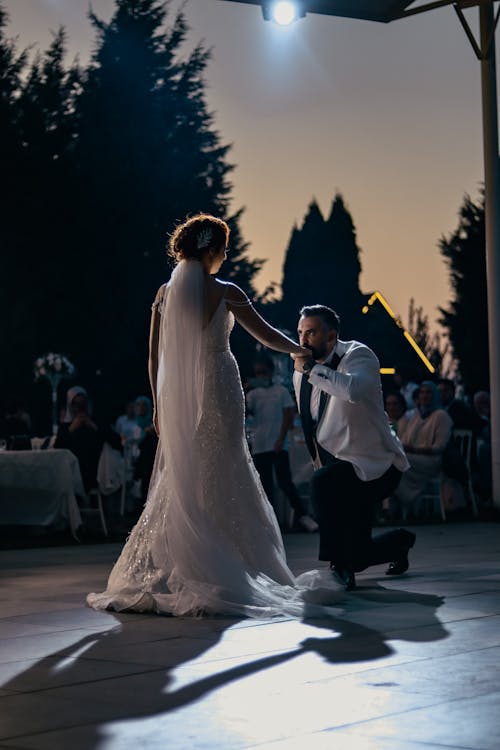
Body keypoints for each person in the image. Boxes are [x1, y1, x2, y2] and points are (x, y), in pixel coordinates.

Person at [87, 214, 343, 618]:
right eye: (225, 248)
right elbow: (265, 334)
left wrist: (158, 403)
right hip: (221, 387)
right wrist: (296, 351)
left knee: (187, 469)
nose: (226, 255)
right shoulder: (226, 291)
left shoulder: (164, 294)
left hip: (180, 393)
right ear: (211, 250)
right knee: (226, 463)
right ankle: (233, 559)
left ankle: (184, 557)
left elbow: (155, 357)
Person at [292, 305, 415, 592]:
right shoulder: (301, 374)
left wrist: (311, 369)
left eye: (310, 332)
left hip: (377, 466)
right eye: (300, 333)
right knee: (359, 555)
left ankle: (336, 566)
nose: (303, 341)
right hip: (339, 470)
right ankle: (400, 542)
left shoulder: (358, 355)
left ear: (331, 335)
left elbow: (353, 391)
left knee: (323, 483)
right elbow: (313, 425)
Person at [246, 353, 318, 532]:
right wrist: (245, 391)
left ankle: (303, 516)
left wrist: (280, 439)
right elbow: (247, 414)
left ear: (270, 371)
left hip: (278, 444)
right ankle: (270, 521)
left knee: (286, 482)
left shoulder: (281, 391)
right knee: (265, 484)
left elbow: (288, 415)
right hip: (260, 445)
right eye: (258, 373)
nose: (261, 375)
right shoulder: (253, 394)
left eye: (263, 372)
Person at [394, 381, 453, 518]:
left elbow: (440, 447)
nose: (424, 396)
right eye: (422, 392)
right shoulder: (416, 417)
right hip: (414, 458)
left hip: (432, 461)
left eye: (428, 392)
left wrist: (413, 449)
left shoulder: (441, 416)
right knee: (391, 461)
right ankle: (397, 506)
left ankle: (401, 504)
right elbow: (405, 440)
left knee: (396, 462)